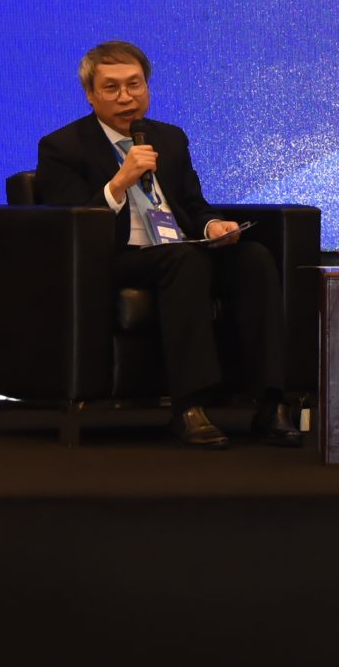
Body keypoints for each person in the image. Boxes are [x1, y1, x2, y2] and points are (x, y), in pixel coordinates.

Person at [33, 40, 299, 449]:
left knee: (253, 258)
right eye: (111, 88)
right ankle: (189, 407)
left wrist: (213, 226)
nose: (126, 97)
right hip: (113, 259)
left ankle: (271, 403)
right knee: (183, 260)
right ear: (90, 94)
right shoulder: (62, 147)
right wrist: (119, 182)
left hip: (180, 250)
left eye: (135, 84)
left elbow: (193, 204)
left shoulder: (169, 138)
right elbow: (69, 224)